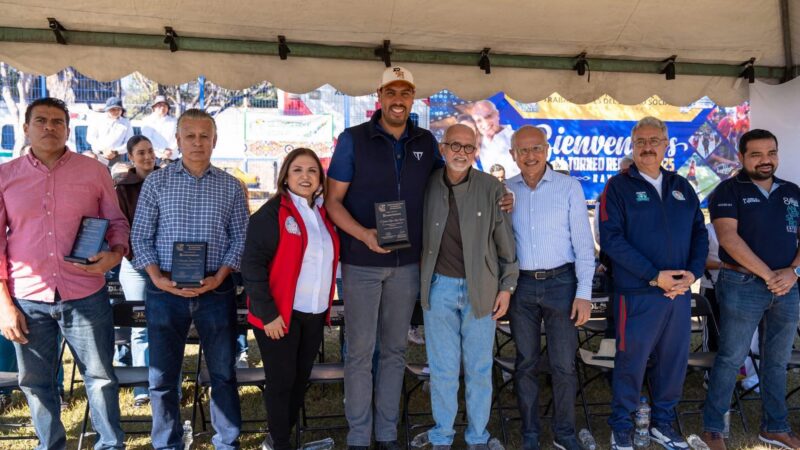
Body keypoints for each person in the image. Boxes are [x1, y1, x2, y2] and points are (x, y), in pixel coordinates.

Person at [0, 97, 129, 449]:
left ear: (68, 129)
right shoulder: (5, 177)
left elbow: (117, 223)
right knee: (36, 381)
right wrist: (4, 305)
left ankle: (110, 444)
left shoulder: (93, 171)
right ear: (25, 128)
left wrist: (113, 255)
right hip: (27, 298)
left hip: (86, 292)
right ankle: (51, 445)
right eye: (40, 120)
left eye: (57, 121)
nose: (49, 127)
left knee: (101, 377)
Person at [325, 66, 439, 450]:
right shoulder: (353, 140)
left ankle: (387, 434)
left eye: (405, 93)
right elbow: (333, 202)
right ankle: (359, 436)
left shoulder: (426, 142)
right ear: (379, 95)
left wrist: (497, 195)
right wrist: (364, 235)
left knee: (394, 351)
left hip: (407, 266)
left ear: (412, 97)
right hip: (360, 263)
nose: (398, 99)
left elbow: (451, 188)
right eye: (391, 92)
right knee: (359, 352)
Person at [132, 108, 248, 449]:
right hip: (165, 289)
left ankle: (227, 442)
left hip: (216, 289)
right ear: (178, 140)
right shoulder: (156, 181)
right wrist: (157, 277)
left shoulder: (231, 186)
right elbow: (140, 236)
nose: (197, 142)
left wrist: (221, 276)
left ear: (214, 140)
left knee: (223, 373)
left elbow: (240, 237)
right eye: (190, 136)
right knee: (163, 377)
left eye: (204, 136)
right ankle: (166, 443)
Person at [599, 116, 708, 450]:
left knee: (673, 363)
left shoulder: (681, 186)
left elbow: (699, 233)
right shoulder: (617, 187)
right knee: (630, 363)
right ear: (632, 146)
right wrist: (653, 275)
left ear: (665, 145)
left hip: (676, 294)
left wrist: (692, 272)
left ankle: (663, 423)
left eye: (653, 141)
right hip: (636, 294)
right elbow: (611, 240)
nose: (647, 148)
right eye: (641, 142)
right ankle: (622, 427)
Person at [420, 124, 518, 449]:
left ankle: (478, 436)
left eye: (468, 147)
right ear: (443, 148)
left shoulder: (492, 188)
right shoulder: (427, 184)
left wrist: (506, 287)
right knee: (443, 369)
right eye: (455, 146)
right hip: (439, 289)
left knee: (479, 368)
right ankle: (442, 437)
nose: (462, 153)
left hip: (483, 289)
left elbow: (506, 245)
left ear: (476, 152)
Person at [701, 129, 800, 450]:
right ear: (742, 157)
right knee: (731, 357)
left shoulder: (792, 191)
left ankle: (775, 427)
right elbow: (729, 239)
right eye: (756, 154)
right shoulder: (727, 190)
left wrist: (794, 272)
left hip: (787, 287)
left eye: (771, 153)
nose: (765, 160)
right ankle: (714, 428)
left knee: (777, 360)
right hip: (742, 284)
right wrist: (772, 275)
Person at [241, 148, 340, 450]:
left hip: (314, 312)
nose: (305, 176)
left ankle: (276, 439)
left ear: (320, 179)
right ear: (285, 176)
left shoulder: (324, 214)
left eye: (312, 170)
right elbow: (252, 265)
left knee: (299, 380)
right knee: (281, 381)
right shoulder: (271, 214)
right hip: (279, 315)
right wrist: (268, 313)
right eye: (298, 170)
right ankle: (281, 442)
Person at [504, 126, 595, 450]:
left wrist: (584, 294)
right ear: (513, 154)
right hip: (521, 286)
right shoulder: (504, 191)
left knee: (563, 365)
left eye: (536, 149)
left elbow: (584, 246)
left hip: (562, 284)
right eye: (523, 150)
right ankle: (530, 434)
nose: (530, 156)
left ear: (547, 150)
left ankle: (564, 433)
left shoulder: (568, 187)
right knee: (525, 362)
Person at [114, 135, 157, 407]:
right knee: (141, 327)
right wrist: (138, 256)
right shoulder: (122, 188)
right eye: (141, 152)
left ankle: (165, 383)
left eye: (151, 151)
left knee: (165, 326)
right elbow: (120, 226)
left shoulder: (168, 180)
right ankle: (142, 386)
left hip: (167, 266)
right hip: (135, 266)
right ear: (131, 157)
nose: (147, 156)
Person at [470, 100, 518, 178]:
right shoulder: (476, 146)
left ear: (497, 114)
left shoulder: (519, 139)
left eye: (488, 116)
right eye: (479, 120)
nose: (485, 123)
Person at [87, 96, 134, 167]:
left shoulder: (126, 122)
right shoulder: (97, 120)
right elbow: (90, 138)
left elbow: (129, 141)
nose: (116, 112)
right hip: (98, 156)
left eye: (118, 109)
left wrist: (116, 151)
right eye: (113, 109)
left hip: (116, 157)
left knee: (114, 177)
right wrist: (104, 150)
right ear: (107, 110)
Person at [141, 95, 180, 162]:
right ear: (154, 107)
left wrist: (170, 150)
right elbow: (147, 139)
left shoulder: (174, 121)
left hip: (172, 156)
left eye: (165, 105)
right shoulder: (146, 121)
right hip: (154, 157)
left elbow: (179, 136)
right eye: (159, 105)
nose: (162, 107)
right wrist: (163, 151)